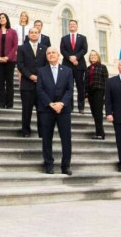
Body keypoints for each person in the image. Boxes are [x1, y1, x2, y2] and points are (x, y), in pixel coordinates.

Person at [37, 47, 74, 175]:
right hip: (47, 109)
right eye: (48, 53)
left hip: (63, 110)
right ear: (46, 56)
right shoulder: (41, 71)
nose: (51, 55)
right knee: (47, 138)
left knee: (66, 139)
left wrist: (61, 103)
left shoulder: (68, 71)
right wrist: (51, 104)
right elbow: (40, 90)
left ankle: (66, 166)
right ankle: (49, 165)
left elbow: (70, 90)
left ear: (58, 55)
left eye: (53, 53)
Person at [16, 26, 46, 137]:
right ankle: (26, 131)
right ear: (28, 34)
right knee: (26, 110)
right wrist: (30, 76)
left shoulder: (44, 48)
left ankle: (42, 132)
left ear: (39, 35)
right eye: (32, 32)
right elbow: (20, 65)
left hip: (41, 85)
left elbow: (46, 66)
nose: (34, 34)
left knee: (41, 110)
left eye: (36, 32)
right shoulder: (22, 48)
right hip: (27, 84)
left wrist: (40, 77)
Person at [0, 13, 18, 109]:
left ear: (7, 19)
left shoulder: (13, 32)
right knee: (0, 82)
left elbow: (15, 46)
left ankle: (9, 104)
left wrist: (7, 57)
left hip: (10, 61)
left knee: (9, 82)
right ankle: (1, 104)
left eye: (3, 17)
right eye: (0, 18)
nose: (2, 19)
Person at [60, 19, 87, 114]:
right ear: (68, 26)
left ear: (77, 26)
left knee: (80, 87)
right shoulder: (64, 38)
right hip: (67, 65)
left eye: (74, 24)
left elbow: (84, 49)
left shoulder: (83, 38)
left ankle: (81, 107)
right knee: (68, 87)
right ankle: (69, 107)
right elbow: (62, 50)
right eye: (70, 24)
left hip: (79, 66)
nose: (72, 25)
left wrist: (76, 57)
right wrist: (70, 58)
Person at [86, 50, 109, 139]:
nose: (93, 56)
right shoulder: (88, 68)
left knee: (98, 113)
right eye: (91, 55)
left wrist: (106, 94)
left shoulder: (102, 67)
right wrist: (86, 95)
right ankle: (98, 132)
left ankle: (100, 133)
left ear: (98, 56)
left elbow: (106, 81)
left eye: (94, 55)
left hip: (99, 91)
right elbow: (86, 82)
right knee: (94, 113)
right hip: (91, 92)